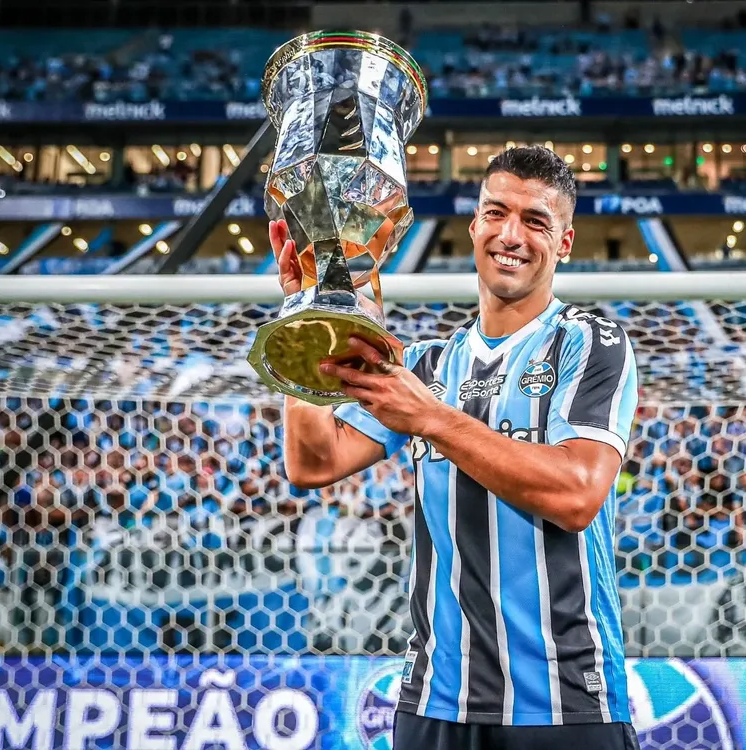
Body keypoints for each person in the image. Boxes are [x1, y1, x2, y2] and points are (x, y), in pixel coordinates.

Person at [273, 145, 640, 749]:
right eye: (496, 214)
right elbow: (313, 461)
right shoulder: (426, 363)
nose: (511, 235)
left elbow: (577, 494)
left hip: (566, 702)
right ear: (474, 226)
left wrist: (433, 418)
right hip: (435, 701)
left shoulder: (591, 343)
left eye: (535, 221)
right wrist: (308, 318)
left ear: (565, 244)